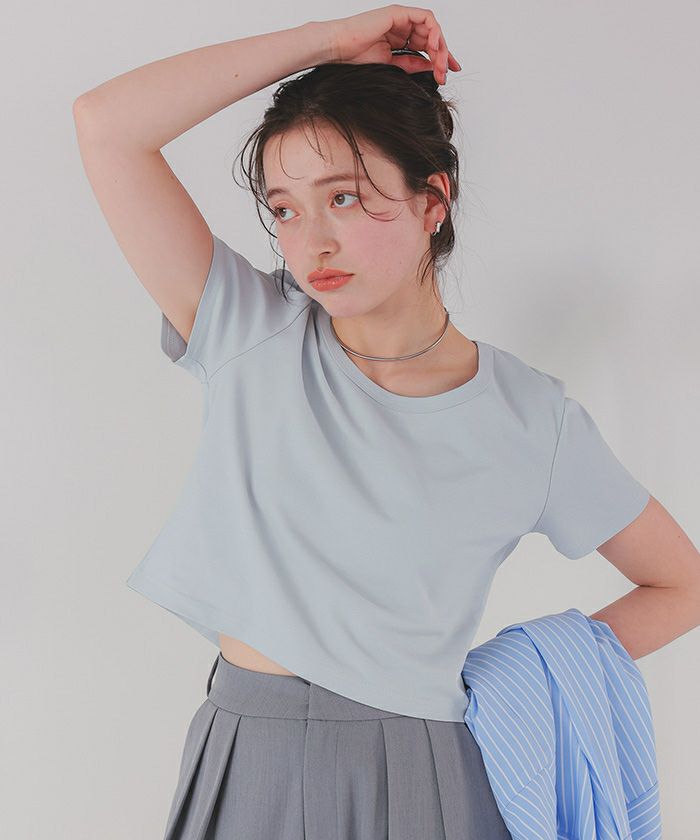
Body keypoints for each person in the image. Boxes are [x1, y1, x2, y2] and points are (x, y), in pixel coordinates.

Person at [72, 7, 659, 839]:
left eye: (343, 197)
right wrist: (329, 41)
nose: (311, 241)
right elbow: (106, 125)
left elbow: (681, 583)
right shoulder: (250, 331)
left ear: (433, 200)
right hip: (248, 751)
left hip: (427, 767)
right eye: (284, 209)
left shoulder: (532, 416)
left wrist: (528, 677)